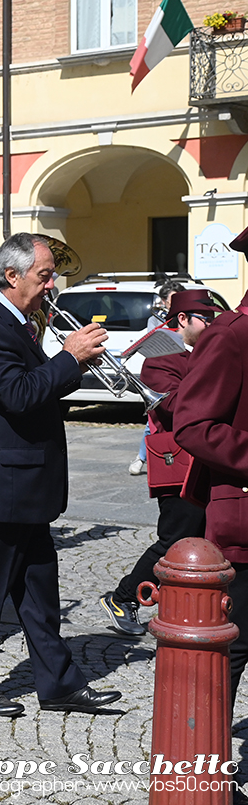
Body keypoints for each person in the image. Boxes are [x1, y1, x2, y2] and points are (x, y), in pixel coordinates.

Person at [0, 232, 121, 717]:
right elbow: (20, 395)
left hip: (25, 485)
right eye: (44, 276)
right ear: (12, 276)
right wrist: (70, 357)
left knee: (40, 596)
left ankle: (59, 683)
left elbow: (35, 389)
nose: (51, 285)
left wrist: (73, 364)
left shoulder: (18, 324)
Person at [101, 289, 219, 636]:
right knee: (174, 542)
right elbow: (175, 406)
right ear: (183, 320)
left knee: (208, 539)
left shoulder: (205, 353)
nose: (211, 324)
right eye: (205, 319)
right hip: (179, 465)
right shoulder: (161, 360)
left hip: (208, 462)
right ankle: (123, 597)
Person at [173, 225, 248, 701]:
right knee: (234, 649)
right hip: (244, 521)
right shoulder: (233, 335)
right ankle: (207, 771)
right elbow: (193, 424)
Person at [131, 280, 187, 475]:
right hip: (160, 371)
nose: (174, 303)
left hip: (176, 368)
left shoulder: (184, 317)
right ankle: (143, 457)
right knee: (152, 424)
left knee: (153, 424)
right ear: (163, 301)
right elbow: (153, 342)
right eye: (171, 300)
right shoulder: (155, 319)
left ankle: (142, 457)